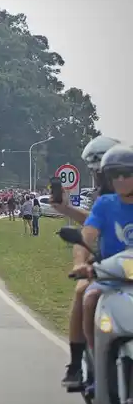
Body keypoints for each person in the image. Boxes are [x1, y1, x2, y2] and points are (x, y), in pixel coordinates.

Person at [59, 135, 122, 388]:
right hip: (108, 266)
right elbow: (88, 230)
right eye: (96, 172)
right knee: (83, 292)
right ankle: (80, 363)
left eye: (103, 172)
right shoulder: (102, 201)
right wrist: (80, 263)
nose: (99, 178)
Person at [71, 146, 133, 368]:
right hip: (110, 275)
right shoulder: (105, 204)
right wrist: (80, 263)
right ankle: (96, 358)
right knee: (89, 298)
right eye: (115, 175)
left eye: (127, 174)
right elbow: (87, 236)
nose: (120, 180)